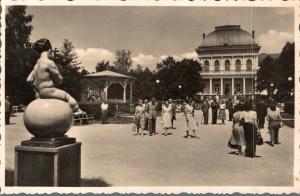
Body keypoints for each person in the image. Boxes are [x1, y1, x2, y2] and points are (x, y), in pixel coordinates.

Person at [27, 38, 83, 114]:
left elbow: (29, 80)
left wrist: (36, 88)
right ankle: (77, 111)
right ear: (50, 50)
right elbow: (60, 80)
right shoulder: (49, 62)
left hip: (38, 94)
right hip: (49, 91)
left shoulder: (36, 65)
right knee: (67, 96)